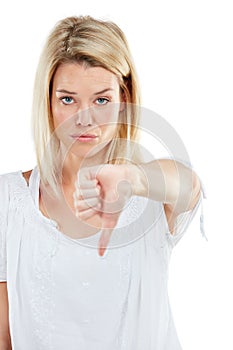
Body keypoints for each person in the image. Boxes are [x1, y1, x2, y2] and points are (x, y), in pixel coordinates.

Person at [0, 15, 203, 349]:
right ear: (48, 102)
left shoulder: (149, 194)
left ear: (124, 97)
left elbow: (188, 185)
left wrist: (131, 178)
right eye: (68, 99)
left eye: (101, 100)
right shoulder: (10, 200)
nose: (85, 118)